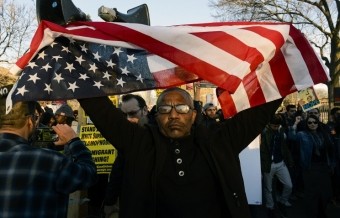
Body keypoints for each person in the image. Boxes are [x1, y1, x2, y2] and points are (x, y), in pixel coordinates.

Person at [78, 87, 282, 218]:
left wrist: (285, 57)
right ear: (156, 117)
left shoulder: (219, 141)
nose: (173, 115)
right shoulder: (138, 143)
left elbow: (263, 108)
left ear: (193, 115)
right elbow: (99, 108)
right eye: (165, 109)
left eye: (182, 108)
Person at [0, 100, 97, 218]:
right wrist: (74, 141)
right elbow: (88, 175)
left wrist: (52, 145)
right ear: (30, 121)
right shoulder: (52, 161)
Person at [103, 94, 151, 218]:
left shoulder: (158, 132)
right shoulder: (127, 138)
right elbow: (118, 170)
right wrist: (110, 201)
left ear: (145, 110)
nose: (128, 119)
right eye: (124, 115)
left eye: (132, 113)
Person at [294, 114, 335, 218]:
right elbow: (291, 138)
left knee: (326, 192)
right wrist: (295, 124)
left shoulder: (324, 134)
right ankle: (314, 214)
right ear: (306, 124)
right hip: (310, 167)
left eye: (315, 122)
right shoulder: (302, 134)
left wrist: (332, 164)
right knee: (312, 193)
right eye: (310, 122)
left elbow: (331, 150)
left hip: (324, 167)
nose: (312, 124)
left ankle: (322, 211)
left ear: (318, 123)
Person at [260, 114, 294, 218]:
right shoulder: (264, 132)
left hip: (280, 163)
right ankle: (270, 207)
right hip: (268, 164)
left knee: (289, 185)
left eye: (277, 126)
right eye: (273, 126)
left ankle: (282, 202)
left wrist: (290, 161)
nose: (275, 128)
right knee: (268, 188)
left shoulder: (281, 131)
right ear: (269, 124)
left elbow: (285, 148)